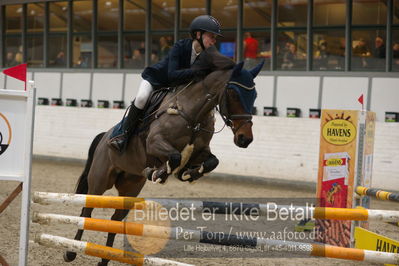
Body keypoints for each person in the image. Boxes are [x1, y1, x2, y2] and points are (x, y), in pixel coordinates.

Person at [108, 15, 222, 152]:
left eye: (215, 38)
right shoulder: (180, 47)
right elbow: (172, 75)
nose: (214, 41)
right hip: (155, 80)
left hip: (173, 89)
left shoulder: (207, 57)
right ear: (198, 34)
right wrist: (198, 72)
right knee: (141, 98)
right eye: (211, 36)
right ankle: (122, 134)